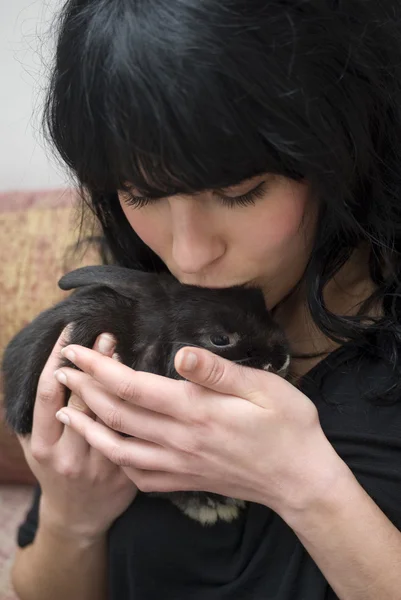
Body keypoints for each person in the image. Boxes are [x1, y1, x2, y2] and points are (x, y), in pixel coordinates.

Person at [8, 0, 401, 599]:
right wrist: (71, 518)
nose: (188, 256)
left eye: (238, 192)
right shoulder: (135, 317)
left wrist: (305, 484)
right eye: (139, 194)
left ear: (337, 143)